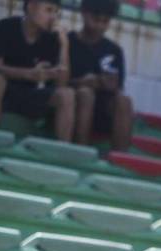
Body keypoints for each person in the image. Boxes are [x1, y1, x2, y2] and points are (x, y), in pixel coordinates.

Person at [0, 0, 75, 142]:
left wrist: (64, 44)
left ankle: (63, 152)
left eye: (56, 12)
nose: (53, 17)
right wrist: (28, 74)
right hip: (6, 92)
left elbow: (62, 83)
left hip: (33, 95)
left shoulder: (53, 37)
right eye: (49, 10)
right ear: (31, 7)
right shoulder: (6, 26)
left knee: (67, 94)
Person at [69, 0, 131, 149]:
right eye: (96, 19)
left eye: (105, 21)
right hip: (72, 105)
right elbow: (55, 83)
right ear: (84, 13)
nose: (100, 26)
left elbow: (118, 88)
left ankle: (120, 158)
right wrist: (82, 82)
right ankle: (80, 151)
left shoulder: (114, 50)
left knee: (124, 101)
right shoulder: (68, 41)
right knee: (86, 94)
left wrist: (107, 84)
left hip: (102, 110)